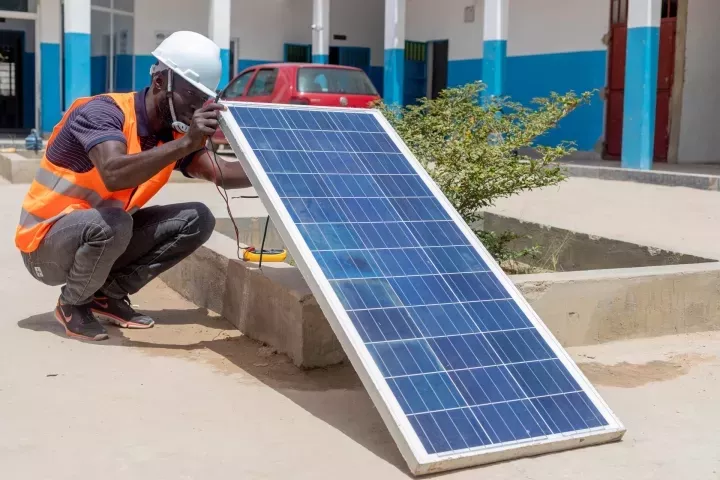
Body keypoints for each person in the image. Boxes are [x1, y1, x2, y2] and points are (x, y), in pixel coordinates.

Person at [15, 31, 251, 342]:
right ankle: (73, 304)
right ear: (159, 83)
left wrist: (275, 170)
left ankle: (106, 295)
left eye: (202, 100)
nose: (195, 109)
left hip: (103, 231)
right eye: (190, 97)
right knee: (114, 222)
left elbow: (220, 172)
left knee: (197, 218)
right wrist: (184, 146)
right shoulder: (103, 113)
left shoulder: (173, 135)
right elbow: (114, 173)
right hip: (45, 245)